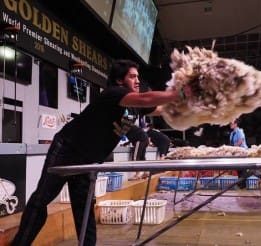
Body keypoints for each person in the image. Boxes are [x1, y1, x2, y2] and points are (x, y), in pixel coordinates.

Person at [11, 59, 192, 245]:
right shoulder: (114, 94)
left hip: (88, 159)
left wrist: (193, 103)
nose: (137, 81)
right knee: (41, 199)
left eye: (138, 76)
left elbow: (160, 109)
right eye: (132, 76)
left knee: (85, 207)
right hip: (67, 149)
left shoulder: (134, 106)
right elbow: (146, 98)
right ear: (120, 80)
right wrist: (178, 93)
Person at [229, 119, 248, 188]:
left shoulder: (239, 131)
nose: (230, 125)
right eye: (230, 124)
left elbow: (241, 140)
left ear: (236, 124)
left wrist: (235, 147)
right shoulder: (231, 133)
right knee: (238, 168)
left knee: (243, 169)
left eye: (232, 123)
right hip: (236, 152)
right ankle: (240, 183)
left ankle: (243, 185)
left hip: (241, 151)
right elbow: (231, 143)